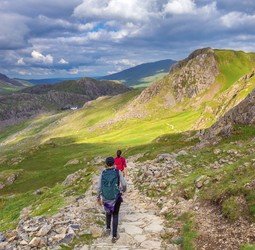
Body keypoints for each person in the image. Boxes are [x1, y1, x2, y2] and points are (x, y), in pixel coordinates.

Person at [97, 156, 127, 243]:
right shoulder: (118, 172)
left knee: (108, 212)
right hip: (116, 197)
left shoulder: (103, 173)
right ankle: (114, 236)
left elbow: (99, 187)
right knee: (116, 214)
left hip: (106, 197)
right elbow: (124, 184)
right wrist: (122, 191)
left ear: (106, 164)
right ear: (114, 163)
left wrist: (98, 197)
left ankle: (108, 228)